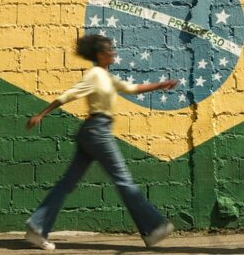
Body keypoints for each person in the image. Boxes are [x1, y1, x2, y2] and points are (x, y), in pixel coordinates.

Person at [24, 34, 179, 250]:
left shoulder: (107, 76)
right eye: (109, 50)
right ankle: (153, 228)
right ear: (99, 54)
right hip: (97, 132)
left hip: (93, 132)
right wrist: (41, 113)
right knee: (124, 180)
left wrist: (160, 85)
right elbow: (69, 95)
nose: (113, 52)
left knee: (67, 183)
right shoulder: (95, 74)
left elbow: (131, 88)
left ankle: (37, 229)